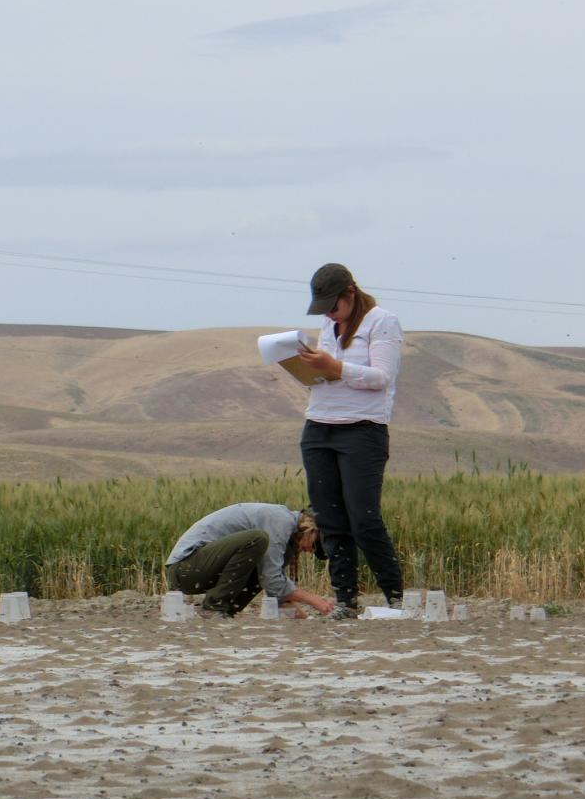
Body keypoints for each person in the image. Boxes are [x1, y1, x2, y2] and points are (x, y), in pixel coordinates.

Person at [295, 263, 405, 620]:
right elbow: (327, 375)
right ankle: (345, 599)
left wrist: (336, 368)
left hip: (363, 429)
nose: (328, 314)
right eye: (323, 309)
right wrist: (310, 368)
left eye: (333, 306)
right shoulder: (329, 324)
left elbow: (382, 377)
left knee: (364, 518)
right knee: (330, 519)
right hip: (319, 426)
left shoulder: (381, 321)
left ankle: (395, 596)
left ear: (350, 294)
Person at [165, 503, 334, 617]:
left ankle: (226, 610)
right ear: (311, 529)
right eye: (314, 546)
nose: (310, 551)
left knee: (264, 561)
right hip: (185, 568)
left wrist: (301, 616)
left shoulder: (287, 538)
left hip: (201, 570)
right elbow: (271, 579)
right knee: (257, 539)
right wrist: (313, 600)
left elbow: (274, 587)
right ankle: (214, 607)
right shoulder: (280, 520)